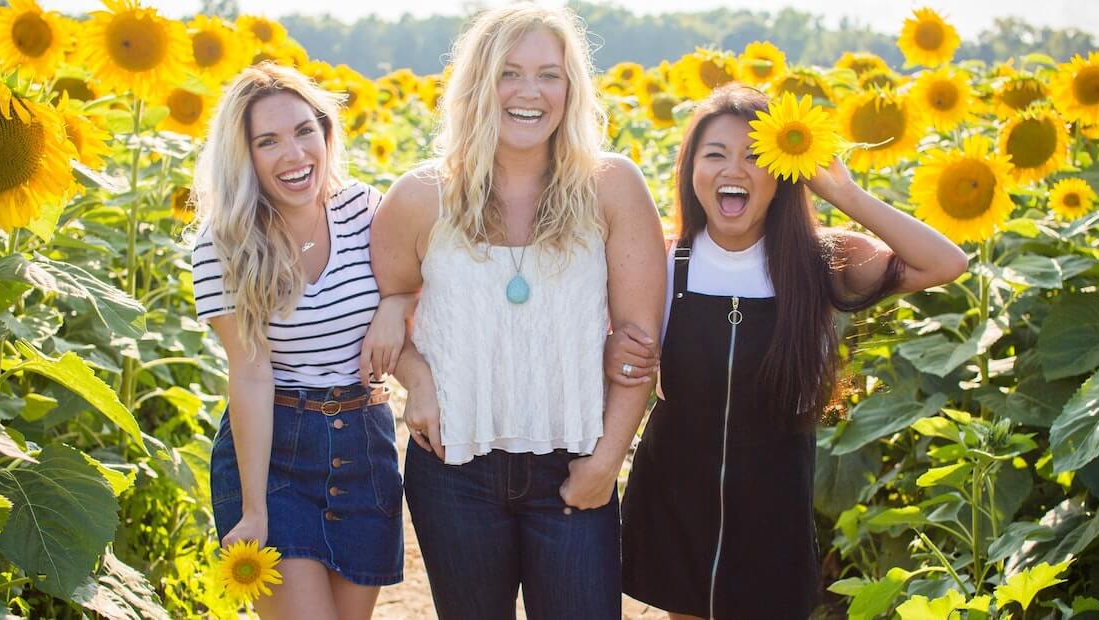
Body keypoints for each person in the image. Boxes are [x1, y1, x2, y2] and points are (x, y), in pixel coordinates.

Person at [606, 84, 969, 619]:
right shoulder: (664, 260)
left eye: (756, 156)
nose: (735, 169)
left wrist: (843, 193)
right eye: (715, 155)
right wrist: (612, 350)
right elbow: (610, 343)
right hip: (676, 493)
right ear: (692, 172)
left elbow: (945, 262)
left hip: (772, 506)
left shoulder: (819, 262)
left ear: (783, 174)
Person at [370, 5, 666, 619]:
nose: (529, 92)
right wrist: (417, 379)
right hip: (452, 470)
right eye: (509, 72)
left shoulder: (612, 187)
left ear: (571, 88)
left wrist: (607, 461)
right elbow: (385, 314)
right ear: (477, 84)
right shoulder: (420, 196)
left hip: (574, 466)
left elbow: (640, 346)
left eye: (549, 75)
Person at [191, 62, 410, 619]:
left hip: (365, 445)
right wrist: (255, 507)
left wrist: (395, 306)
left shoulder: (364, 209)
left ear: (325, 132)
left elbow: (411, 284)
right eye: (268, 141)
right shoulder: (222, 245)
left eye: (303, 131)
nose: (294, 155)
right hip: (278, 453)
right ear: (244, 157)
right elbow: (250, 373)